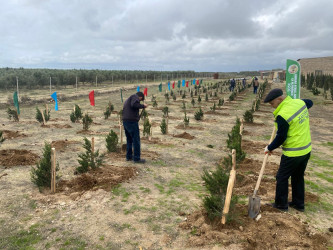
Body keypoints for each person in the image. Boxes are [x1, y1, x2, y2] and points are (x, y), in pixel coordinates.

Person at [264, 88, 313, 212]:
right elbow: (310, 102)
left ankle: (281, 205)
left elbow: (281, 137)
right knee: (297, 176)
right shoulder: (299, 103)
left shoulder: (282, 115)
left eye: (272, 104)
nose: (272, 106)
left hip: (293, 152)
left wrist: (269, 147)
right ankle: (298, 204)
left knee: (281, 177)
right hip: (306, 150)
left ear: (280, 100)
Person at [122, 92, 148, 163]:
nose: (139, 101)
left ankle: (129, 156)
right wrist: (143, 106)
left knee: (129, 139)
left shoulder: (128, 99)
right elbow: (134, 104)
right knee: (136, 140)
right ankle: (136, 158)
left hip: (125, 121)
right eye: (140, 100)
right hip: (131, 122)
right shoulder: (134, 97)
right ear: (140, 97)